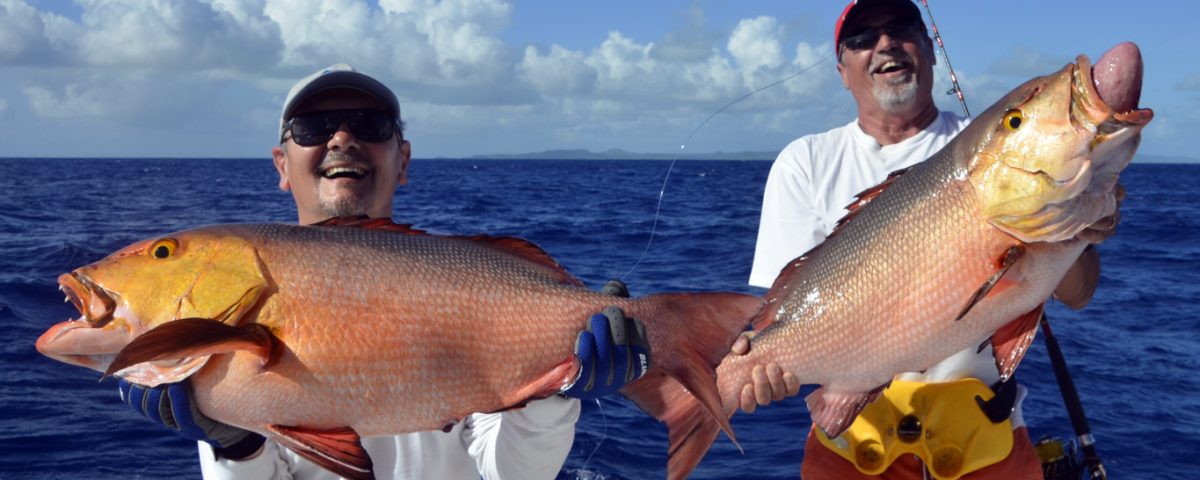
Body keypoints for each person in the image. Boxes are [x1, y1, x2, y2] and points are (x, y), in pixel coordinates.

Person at [116, 64, 649, 479]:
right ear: (282, 164)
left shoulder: (458, 277)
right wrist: (235, 442)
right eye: (313, 127)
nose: (342, 138)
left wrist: (549, 396)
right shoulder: (233, 301)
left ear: (404, 159)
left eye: (369, 126)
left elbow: (510, 472)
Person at [732, 0, 1121, 478]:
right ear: (842, 69)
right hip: (852, 452)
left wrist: (1077, 230)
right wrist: (759, 370)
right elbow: (778, 310)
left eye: (900, 28)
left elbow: (1078, 294)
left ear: (931, 49)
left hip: (985, 445)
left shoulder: (988, 146)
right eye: (862, 39)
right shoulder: (805, 162)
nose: (885, 44)